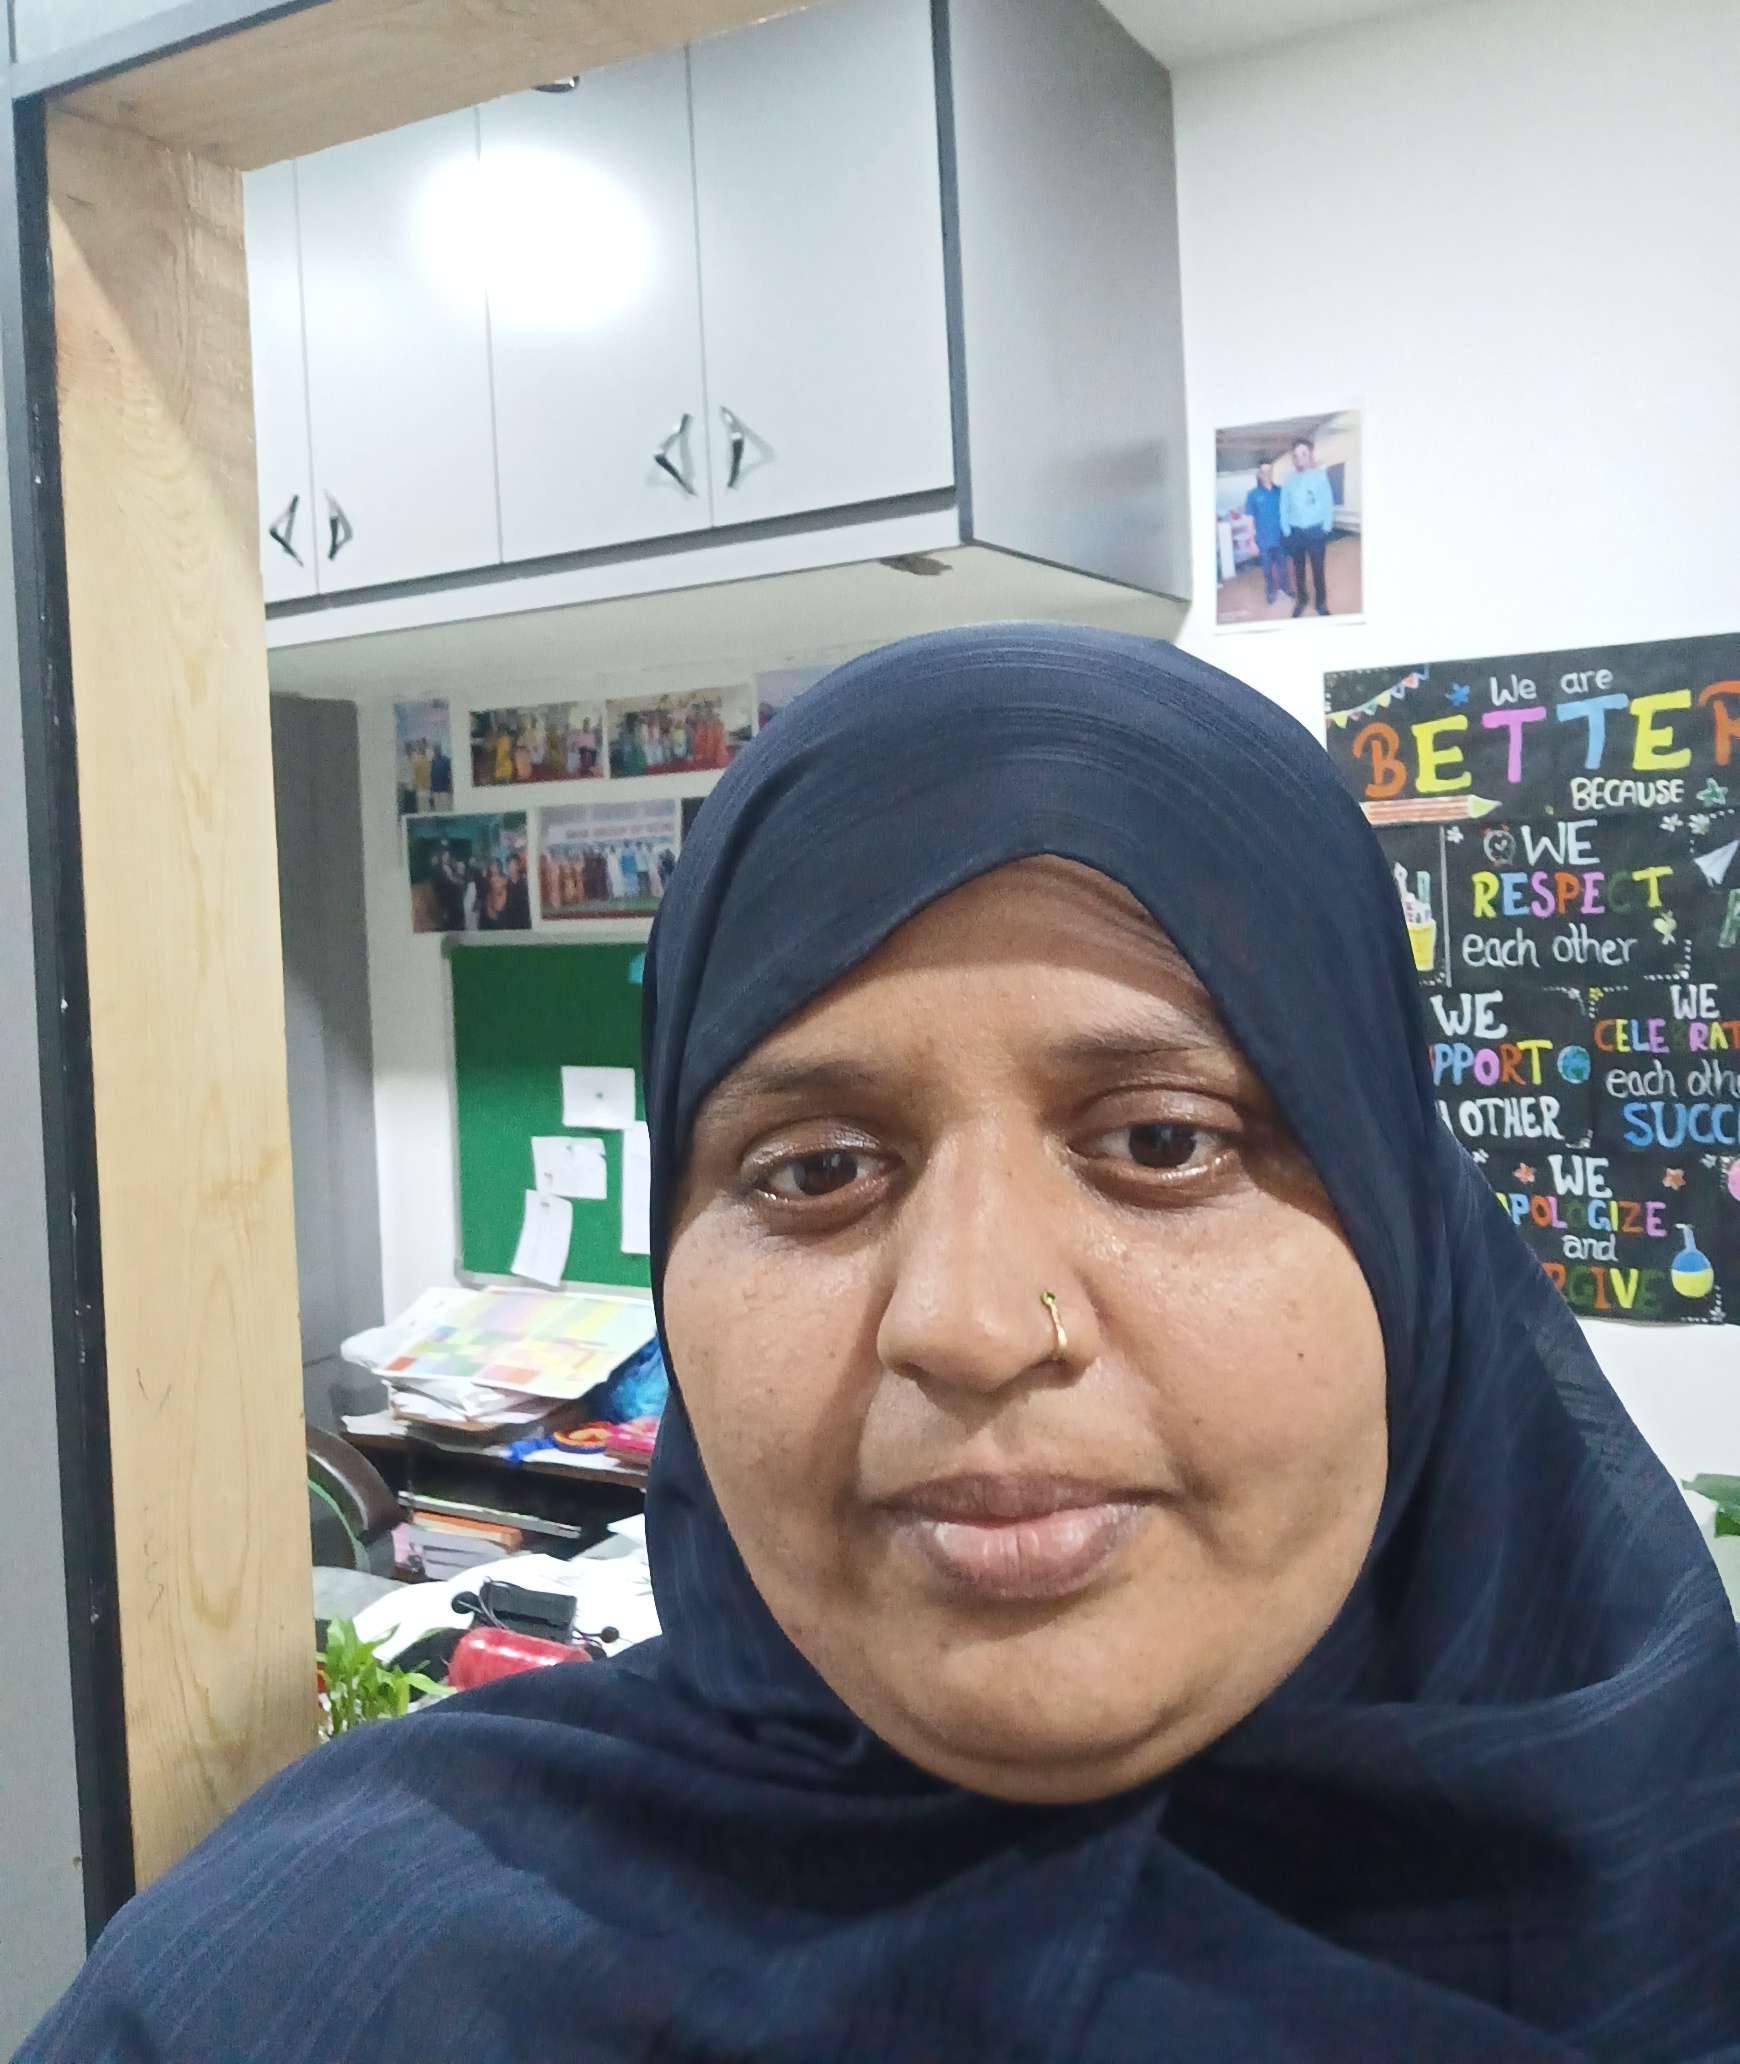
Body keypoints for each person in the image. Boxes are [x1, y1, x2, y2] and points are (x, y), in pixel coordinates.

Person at [24, 627, 1740, 2064]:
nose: (972, 1328)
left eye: (1162, 1142)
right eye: (815, 1172)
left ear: (1406, 1235)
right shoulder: (307, 1989)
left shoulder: (1683, 1891)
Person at [1280, 434, 1335, 616]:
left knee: (1318, 570)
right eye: (1296, 455)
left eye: (1303, 454)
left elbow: (1327, 501)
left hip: (1315, 531)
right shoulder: (1289, 480)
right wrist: (1286, 529)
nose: (1300, 458)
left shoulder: (1319, 476)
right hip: (1296, 533)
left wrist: (1326, 526)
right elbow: (1284, 505)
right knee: (1299, 570)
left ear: (1310, 455)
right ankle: (1302, 600)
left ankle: (1321, 604)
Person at [1243, 456, 1288, 607]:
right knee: (1267, 571)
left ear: (1272, 472)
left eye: (1269, 471)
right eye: (1263, 471)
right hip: (1263, 541)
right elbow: (1249, 519)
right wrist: (1251, 541)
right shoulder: (1252, 494)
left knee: (1283, 568)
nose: (1266, 474)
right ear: (1259, 474)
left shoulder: (1280, 491)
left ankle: (1283, 589)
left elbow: (1287, 513)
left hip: (1280, 539)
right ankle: (1270, 592)